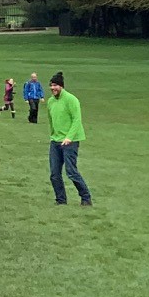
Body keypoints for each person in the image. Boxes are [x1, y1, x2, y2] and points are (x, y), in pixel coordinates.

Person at [47, 71, 92, 206]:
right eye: (51, 85)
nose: (53, 88)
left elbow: (77, 120)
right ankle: (61, 200)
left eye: (55, 85)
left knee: (71, 171)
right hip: (55, 141)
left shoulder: (71, 100)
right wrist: (53, 135)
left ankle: (86, 197)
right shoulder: (50, 101)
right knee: (54, 174)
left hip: (69, 142)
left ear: (61, 86)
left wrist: (69, 138)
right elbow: (51, 120)